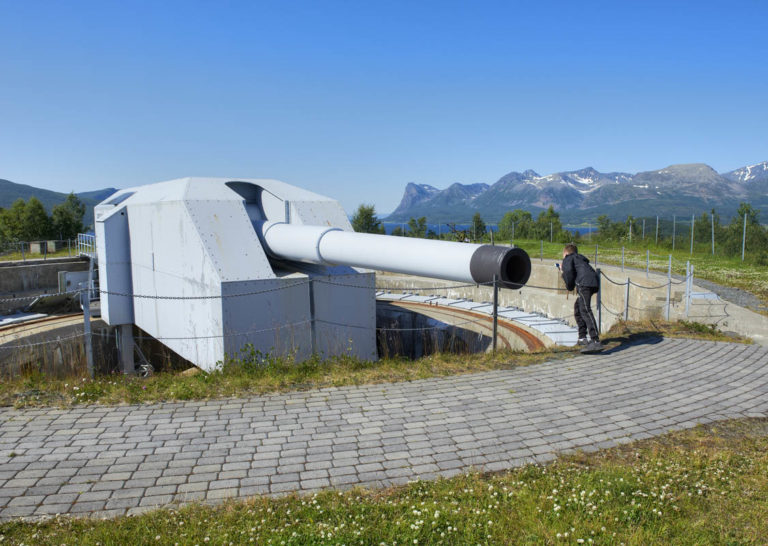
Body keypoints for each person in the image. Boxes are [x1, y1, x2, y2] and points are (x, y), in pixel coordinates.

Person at [558, 243, 603, 351]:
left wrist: (563, 270)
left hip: (585, 284)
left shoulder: (568, 258)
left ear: (565, 253)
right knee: (578, 308)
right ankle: (582, 338)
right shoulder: (579, 259)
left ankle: (595, 341)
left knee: (585, 310)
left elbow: (569, 274)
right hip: (591, 282)